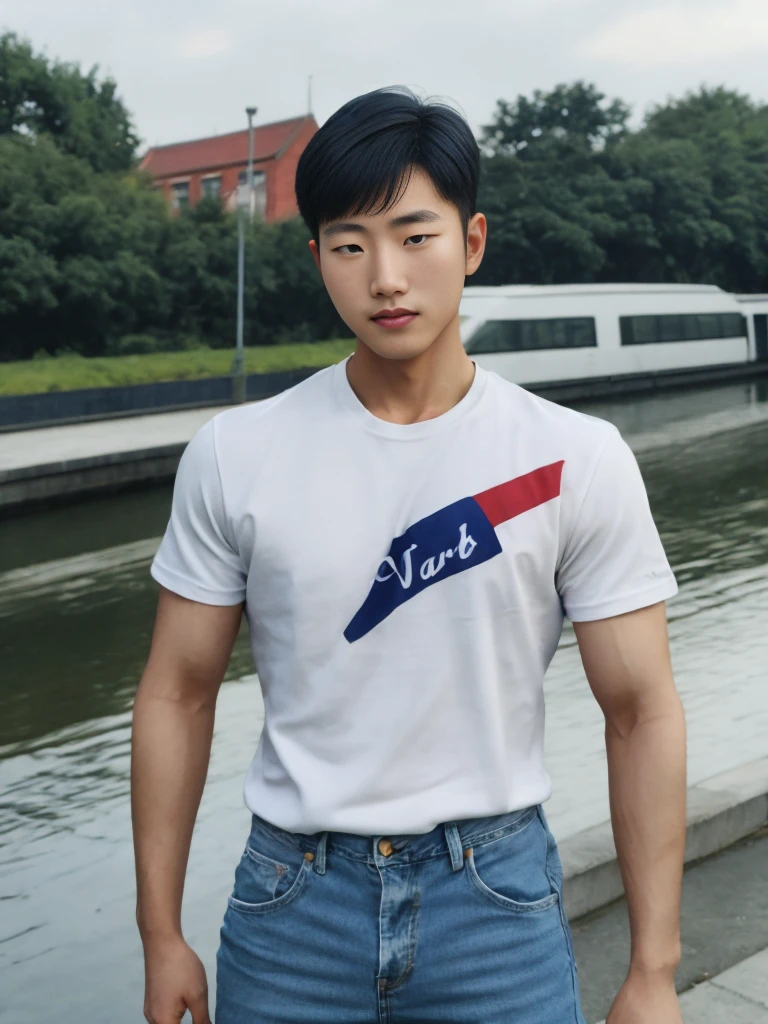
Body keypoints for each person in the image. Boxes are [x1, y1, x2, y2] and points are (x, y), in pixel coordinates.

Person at [131, 86, 687, 1024]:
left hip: (497, 907)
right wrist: (159, 934)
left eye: (414, 236)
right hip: (291, 908)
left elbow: (641, 711)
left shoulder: (572, 458)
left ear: (471, 243)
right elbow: (175, 694)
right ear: (319, 260)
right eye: (350, 245)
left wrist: (653, 971)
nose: (385, 276)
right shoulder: (236, 454)